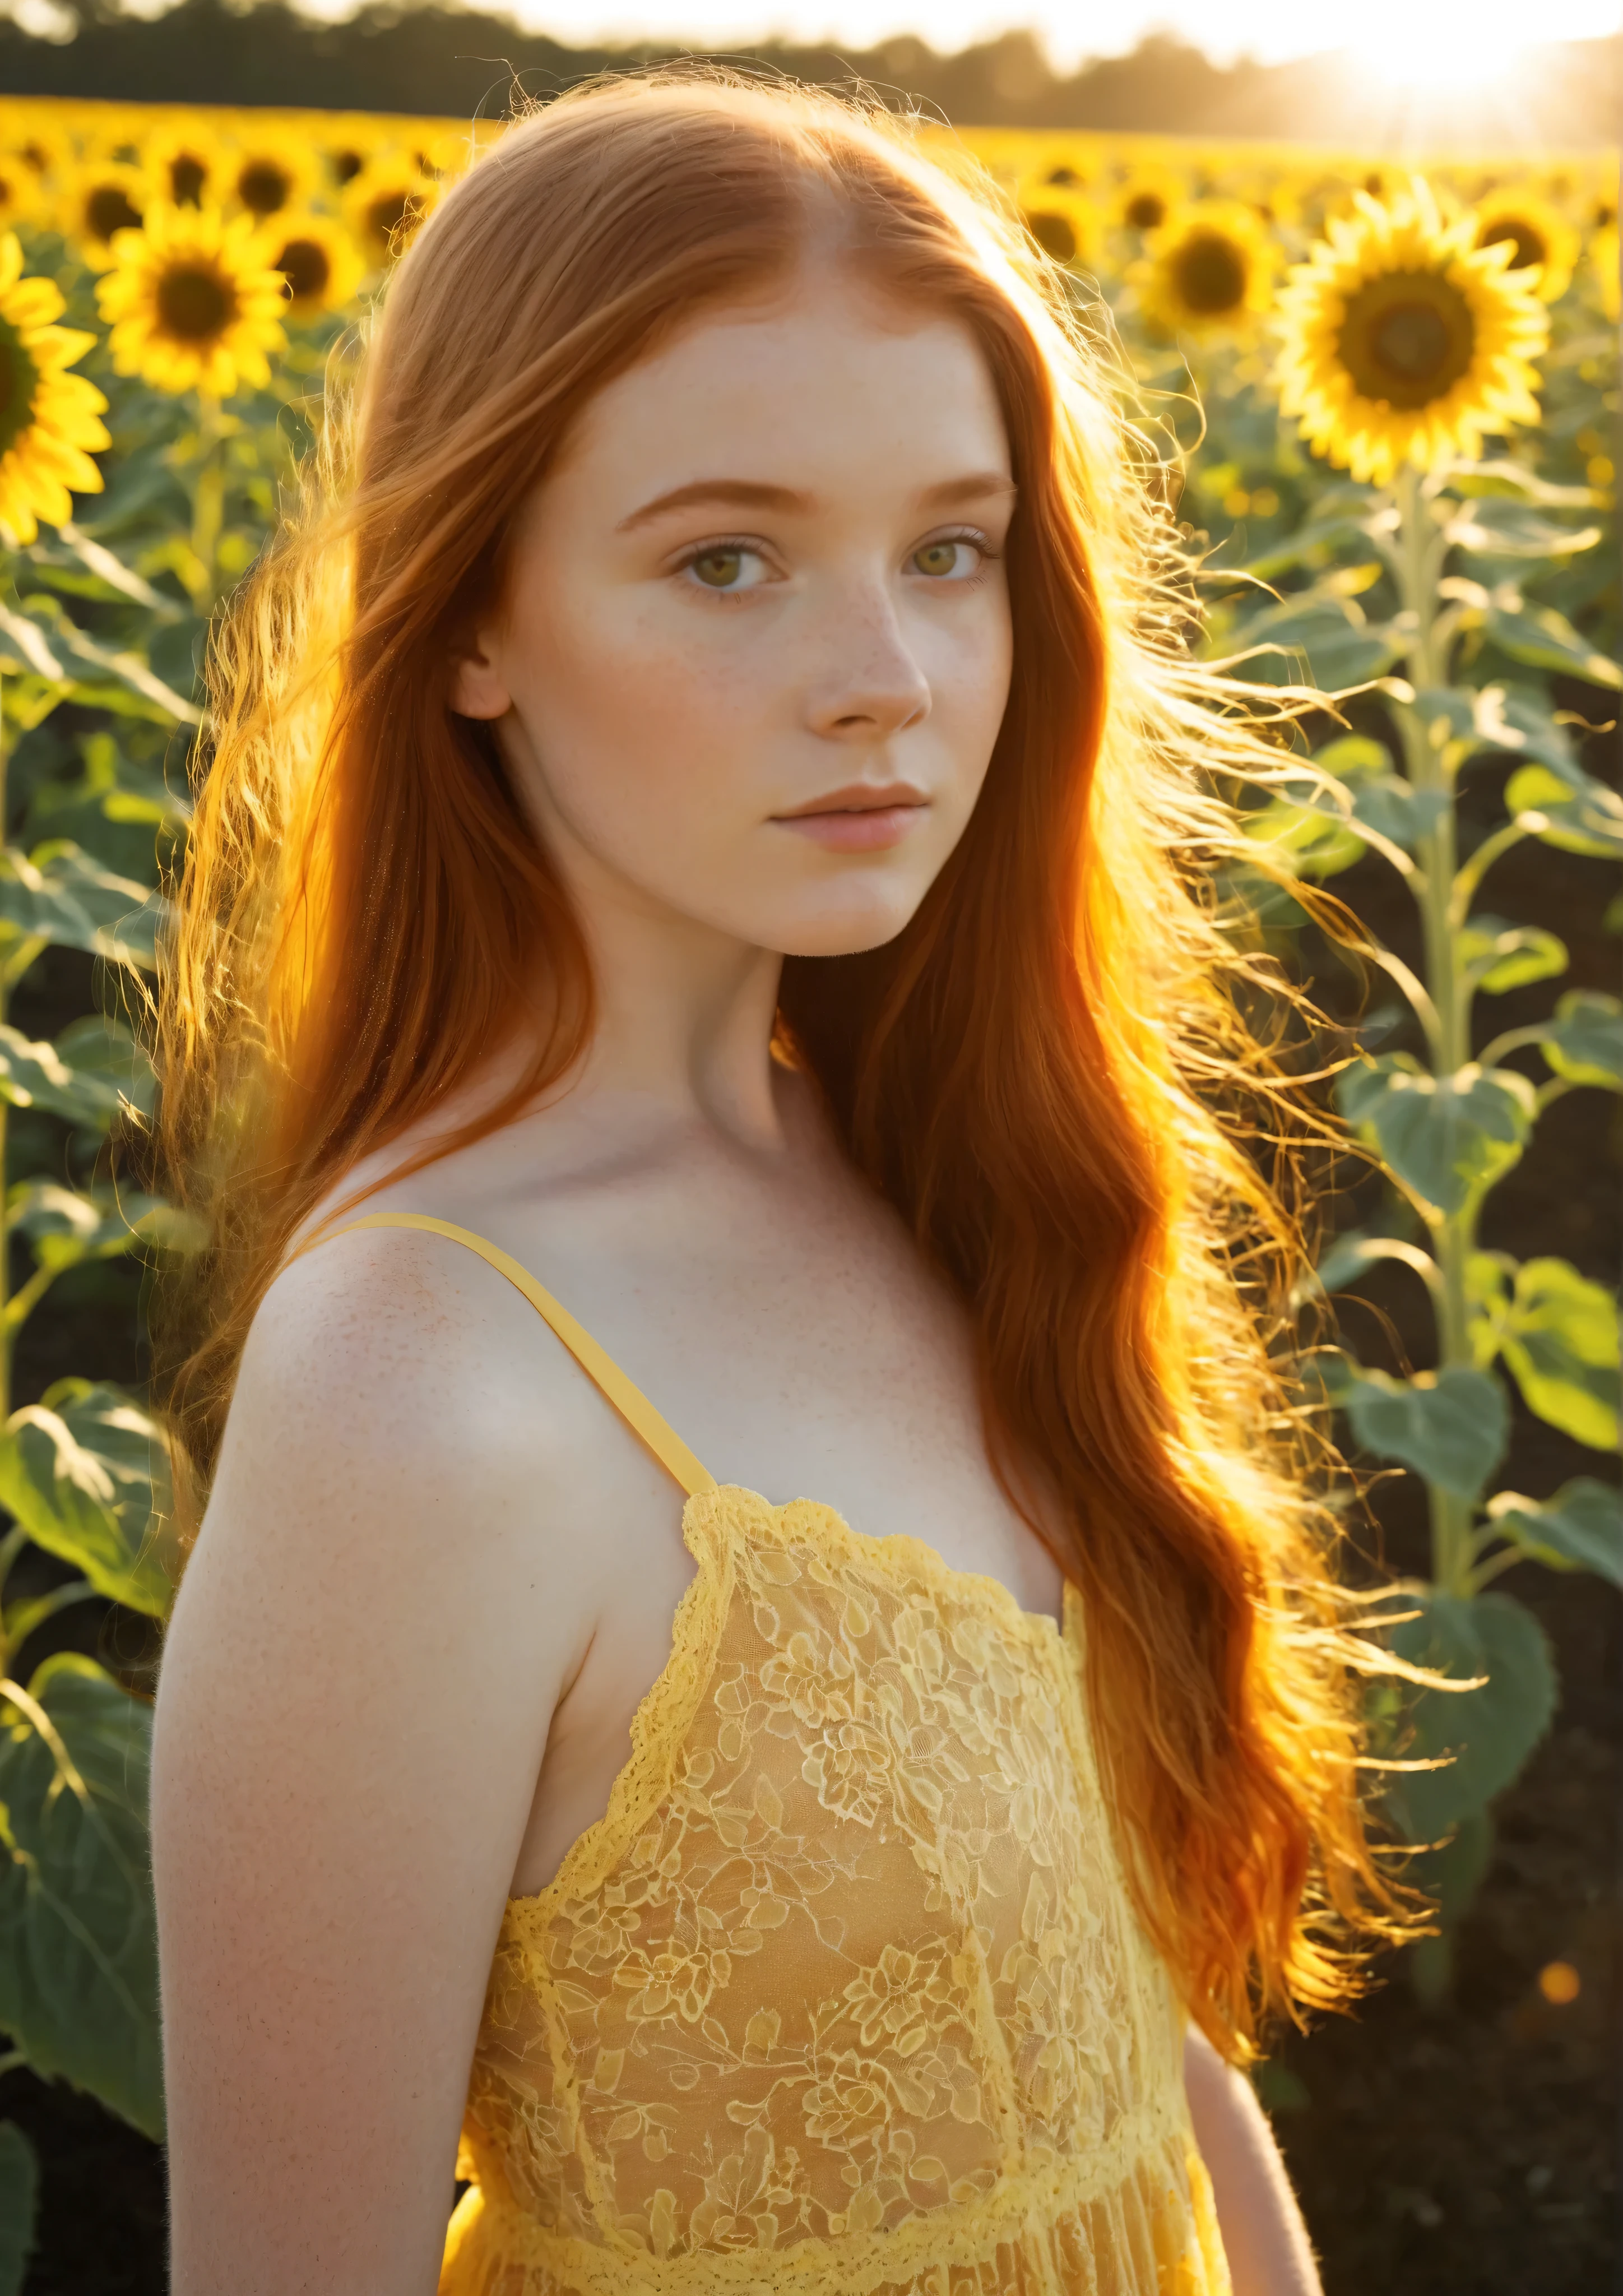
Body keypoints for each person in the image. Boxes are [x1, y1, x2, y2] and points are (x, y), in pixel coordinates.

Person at [149, 70, 1425, 2296]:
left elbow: (1135, 2047)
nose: (887, 681)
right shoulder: (422, 1382)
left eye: (949, 549)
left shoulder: (934, 1157)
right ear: (469, 622)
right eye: (726, 557)